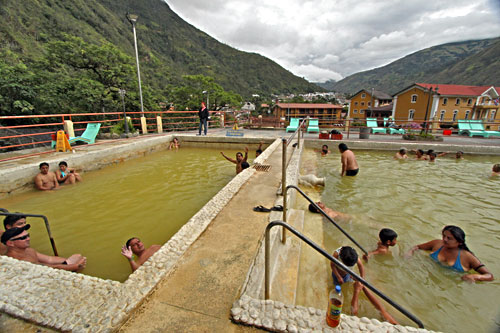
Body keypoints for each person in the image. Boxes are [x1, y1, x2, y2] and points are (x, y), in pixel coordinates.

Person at [330, 246, 398, 324]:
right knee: (337, 287)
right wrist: (338, 276)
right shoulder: (336, 254)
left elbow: (361, 266)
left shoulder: (354, 256)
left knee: (350, 283)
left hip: (348, 274)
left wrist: (362, 279)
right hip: (337, 274)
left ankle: (355, 286)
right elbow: (332, 265)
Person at [406, 225, 493, 282]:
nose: (445, 240)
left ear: (459, 242)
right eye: (444, 236)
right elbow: (417, 247)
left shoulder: (468, 257)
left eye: (449, 238)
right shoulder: (437, 243)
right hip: (430, 277)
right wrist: (409, 253)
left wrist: (475, 277)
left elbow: (489, 275)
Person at [1, 224, 86, 272]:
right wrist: (75, 266)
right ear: (10, 243)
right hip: (44, 272)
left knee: (78, 256)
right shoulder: (19, 261)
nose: (28, 239)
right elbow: (50, 268)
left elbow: (49, 259)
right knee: (78, 263)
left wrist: (68, 261)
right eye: (23, 238)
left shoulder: (28, 250)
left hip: (47, 268)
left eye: (28, 236)